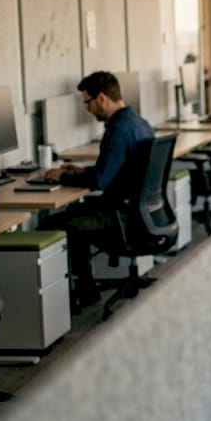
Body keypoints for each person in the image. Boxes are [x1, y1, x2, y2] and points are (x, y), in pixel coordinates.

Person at [42, 71, 155, 306]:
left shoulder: (117, 130)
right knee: (76, 212)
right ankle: (86, 288)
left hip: (121, 217)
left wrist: (62, 176)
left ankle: (83, 293)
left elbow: (100, 181)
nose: (87, 109)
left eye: (87, 102)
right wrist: (80, 171)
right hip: (139, 212)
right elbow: (114, 170)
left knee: (54, 224)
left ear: (102, 98)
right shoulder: (140, 123)